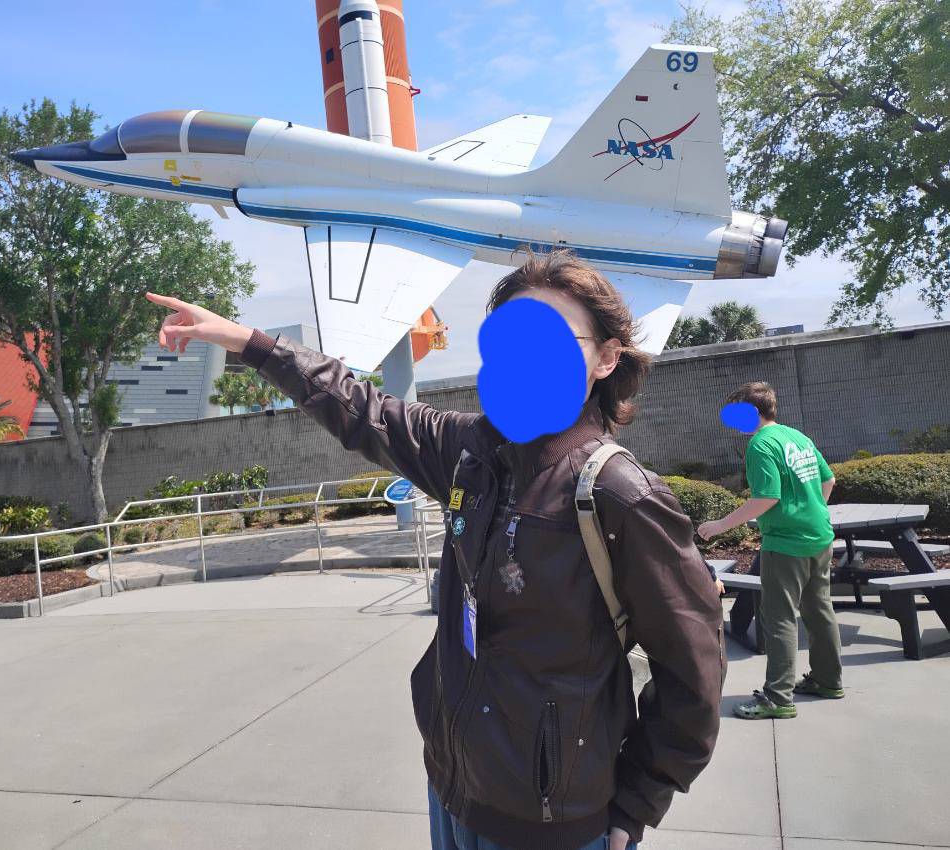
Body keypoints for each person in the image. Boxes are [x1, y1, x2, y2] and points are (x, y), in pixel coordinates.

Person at [147, 250, 726, 850]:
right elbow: (362, 409)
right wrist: (248, 342)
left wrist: (635, 805)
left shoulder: (619, 494)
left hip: (552, 823)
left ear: (606, 358)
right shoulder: (471, 452)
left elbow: (695, 670)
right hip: (452, 786)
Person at [698, 381, 844, 720]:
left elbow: (767, 498)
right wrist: (811, 512)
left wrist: (720, 525)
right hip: (820, 536)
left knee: (779, 619)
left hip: (786, 544)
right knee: (820, 611)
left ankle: (778, 698)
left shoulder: (761, 445)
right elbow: (829, 481)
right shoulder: (797, 437)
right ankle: (828, 681)